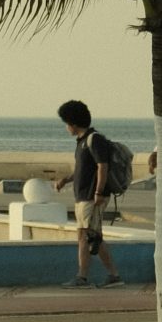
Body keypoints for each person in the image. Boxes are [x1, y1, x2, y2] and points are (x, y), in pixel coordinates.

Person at [51, 99, 124, 288]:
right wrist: (65, 180)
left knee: (86, 236)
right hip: (84, 196)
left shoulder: (94, 139)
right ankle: (113, 276)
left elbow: (103, 167)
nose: (66, 127)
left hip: (92, 197)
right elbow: (83, 169)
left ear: (73, 123)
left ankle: (83, 277)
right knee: (92, 236)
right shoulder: (83, 142)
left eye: (67, 123)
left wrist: (99, 192)